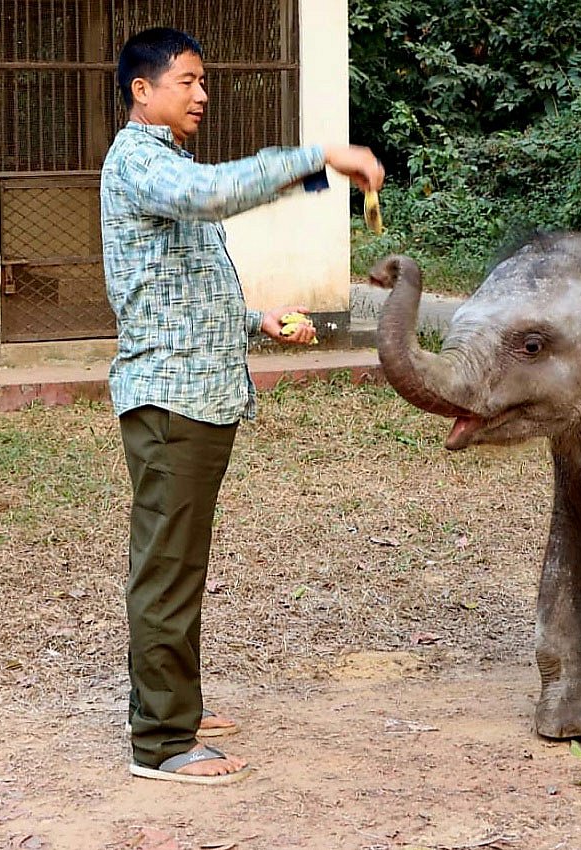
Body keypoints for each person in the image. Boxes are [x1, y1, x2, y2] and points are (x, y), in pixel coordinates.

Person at [100, 26, 384, 785]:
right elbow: (216, 194)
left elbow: (169, 285)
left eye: (202, 80)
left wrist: (253, 318)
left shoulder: (163, 164)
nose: (201, 93)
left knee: (177, 566)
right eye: (186, 80)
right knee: (165, 569)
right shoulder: (141, 163)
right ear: (142, 90)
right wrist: (318, 157)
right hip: (172, 401)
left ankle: (173, 707)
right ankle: (160, 743)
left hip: (195, 394)